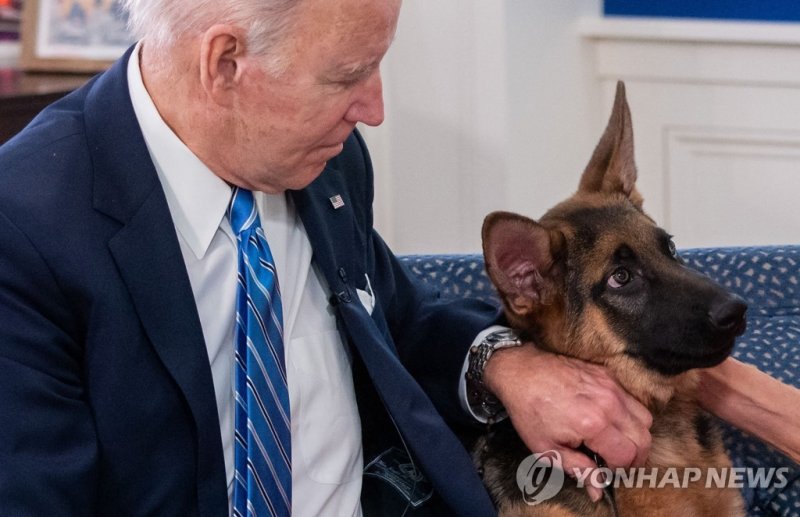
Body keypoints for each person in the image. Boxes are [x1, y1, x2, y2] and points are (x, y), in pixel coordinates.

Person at [0, 0, 787, 515]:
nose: (373, 107)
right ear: (225, 63)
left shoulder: (325, 160)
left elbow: (398, 316)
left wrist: (507, 364)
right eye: (347, 76)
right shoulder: (29, 228)